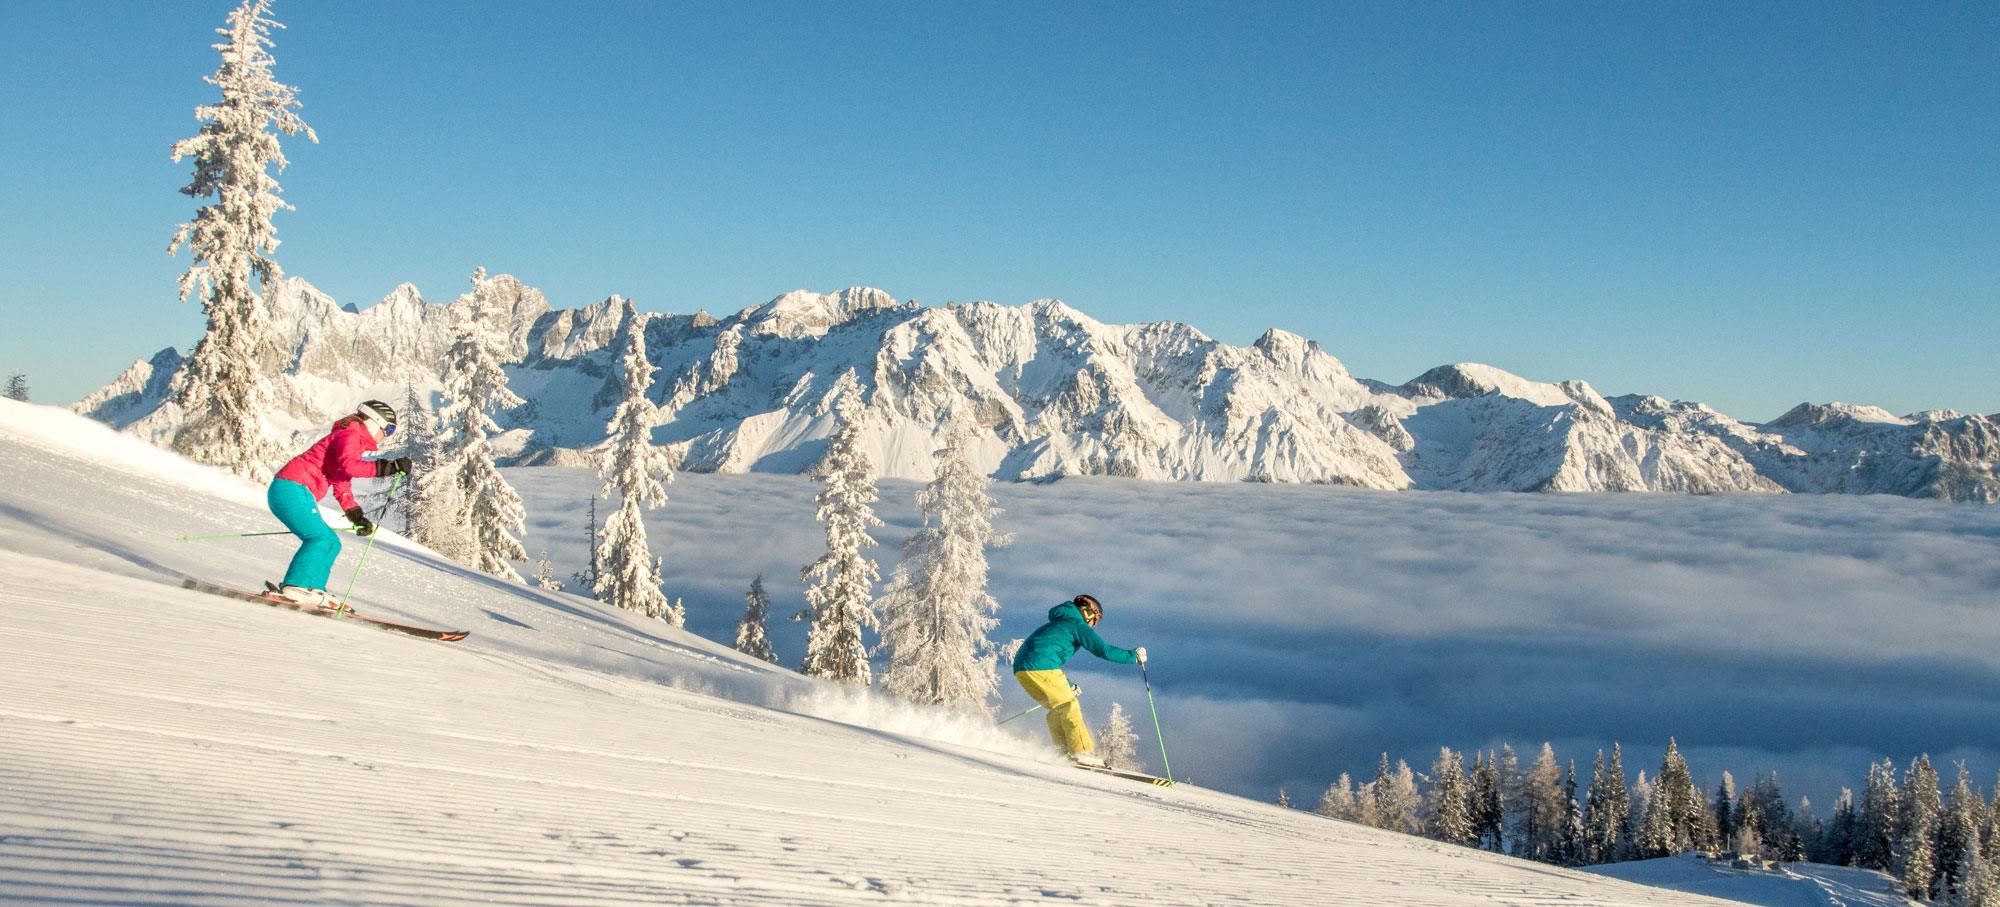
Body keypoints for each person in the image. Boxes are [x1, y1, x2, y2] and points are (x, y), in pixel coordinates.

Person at [267, 400, 412, 607]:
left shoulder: (351, 439)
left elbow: (342, 485)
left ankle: (312, 589)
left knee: (332, 542)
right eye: (388, 429)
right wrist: (388, 467)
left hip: (293, 490)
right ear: (374, 422)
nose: (386, 435)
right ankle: (295, 587)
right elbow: (350, 467)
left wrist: (356, 517)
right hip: (292, 488)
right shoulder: (351, 434)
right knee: (320, 538)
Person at [1011, 593, 1147, 767]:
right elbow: (1102, 650)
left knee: (1057, 708)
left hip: (1023, 669)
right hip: (1040, 665)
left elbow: (1047, 651)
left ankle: (1062, 751)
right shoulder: (1077, 624)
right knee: (1069, 705)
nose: (1093, 625)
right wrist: (1132, 656)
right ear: (1088, 611)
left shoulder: (1061, 622)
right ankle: (1082, 752)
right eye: (1095, 619)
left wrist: (1068, 685)